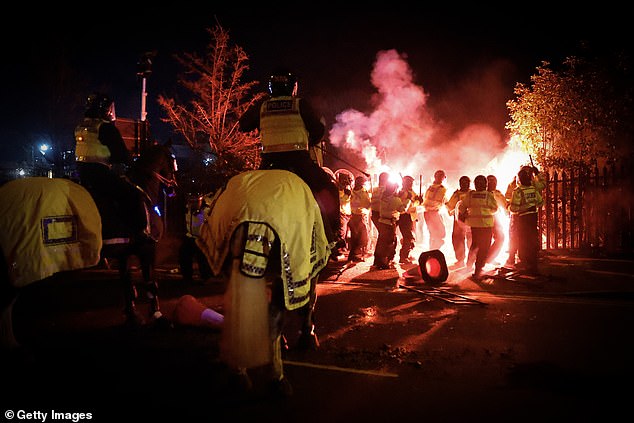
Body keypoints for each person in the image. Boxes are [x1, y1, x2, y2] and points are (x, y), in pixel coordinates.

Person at [240, 69, 341, 248]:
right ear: (292, 88)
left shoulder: (263, 105)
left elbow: (243, 125)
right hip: (298, 161)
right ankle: (333, 234)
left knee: (248, 194)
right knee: (329, 189)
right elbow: (318, 129)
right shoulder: (299, 104)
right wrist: (309, 142)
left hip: (269, 163)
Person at [74, 92, 147, 239]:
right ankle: (137, 234)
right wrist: (131, 164)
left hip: (81, 173)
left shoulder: (81, 126)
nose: (112, 112)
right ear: (105, 109)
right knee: (132, 195)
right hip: (100, 174)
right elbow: (120, 154)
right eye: (110, 108)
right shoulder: (105, 128)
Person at [458, 175, 498, 281]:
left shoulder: (470, 195)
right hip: (486, 225)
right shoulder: (489, 195)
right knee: (484, 248)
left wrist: (465, 214)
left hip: (474, 225)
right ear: (486, 184)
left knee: (475, 245)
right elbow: (495, 209)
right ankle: (478, 269)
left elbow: (461, 207)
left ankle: (469, 265)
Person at [509, 165, 545, 274]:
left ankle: (528, 263)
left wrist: (524, 208)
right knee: (531, 241)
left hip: (524, 218)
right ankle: (531, 264)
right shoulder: (532, 189)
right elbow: (540, 202)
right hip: (531, 218)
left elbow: (513, 208)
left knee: (525, 241)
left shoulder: (518, 191)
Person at [178, 193, 212, 284]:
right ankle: (187, 277)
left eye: (195, 202)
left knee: (203, 258)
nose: (192, 204)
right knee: (184, 254)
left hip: (202, 238)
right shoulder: (187, 209)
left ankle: (206, 277)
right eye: (190, 202)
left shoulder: (206, 211)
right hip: (190, 237)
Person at [373, 180, 405, 269]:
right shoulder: (396, 199)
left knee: (381, 242)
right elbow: (403, 209)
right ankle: (384, 263)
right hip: (390, 223)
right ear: (394, 189)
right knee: (388, 243)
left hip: (382, 222)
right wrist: (407, 199)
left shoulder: (382, 197)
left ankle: (377, 261)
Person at [445, 175, 472, 269]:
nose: (464, 184)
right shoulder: (456, 194)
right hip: (458, 219)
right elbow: (450, 206)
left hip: (471, 220)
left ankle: (472, 259)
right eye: (462, 182)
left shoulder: (473, 193)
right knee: (457, 239)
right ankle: (460, 259)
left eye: (466, 182)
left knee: (471, 239)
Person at [347, 175, 371, 262]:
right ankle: (355, 255)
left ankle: (354, 255)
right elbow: (367, 204)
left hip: (354, 216)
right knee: (362, 237)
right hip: (359, 216)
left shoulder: (352, 192)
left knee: (356, 237)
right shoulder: (362, 192)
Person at [486, 174, 509, 266]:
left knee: (500, 237)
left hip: (496, 218)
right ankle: (481, 259)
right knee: (485, 240)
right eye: (490, 181)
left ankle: (490, 257)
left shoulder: (498, 193)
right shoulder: (482, 193)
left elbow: (505, 205)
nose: (492, 183)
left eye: (494, 181)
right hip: (484, 219)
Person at [422, 169, 448, 250]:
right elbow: (444, 201)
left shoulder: (430, 187)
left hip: (428, 212)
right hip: (433, 212)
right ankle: (434, 249)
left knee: (432, 233)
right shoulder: (442, 189)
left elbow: (425, 199)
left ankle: (432, 249)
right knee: (440, 233)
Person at [397, 175, 420, 264]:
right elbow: (404, 206)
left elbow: (414, 204)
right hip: (404, 217)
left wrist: (418, 201)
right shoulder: (403, 192)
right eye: (409, 182)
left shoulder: (411, 191)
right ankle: (403, 256)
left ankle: (406, 254)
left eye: (411, 182)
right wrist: (414, 200)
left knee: (410, 237)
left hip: (411, 217)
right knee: (408, 237)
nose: (411, 184)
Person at [335, 172, 353, 259]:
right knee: (342, 232)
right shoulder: (338, 191)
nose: (345, 184)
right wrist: (346, 194)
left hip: (348, 214)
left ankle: (344, 247)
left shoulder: (347, 191)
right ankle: (338, 250)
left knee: (346, 233)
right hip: (342, 214)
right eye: (343, 182)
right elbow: (341, 200)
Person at [504, 176, 519, 267]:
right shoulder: (512, 185)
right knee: (514, 236)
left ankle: (514, 257)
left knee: (516, 237)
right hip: (516, 215)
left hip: (519, 215)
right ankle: (512, 257)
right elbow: (507, 197)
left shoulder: (531, 185)